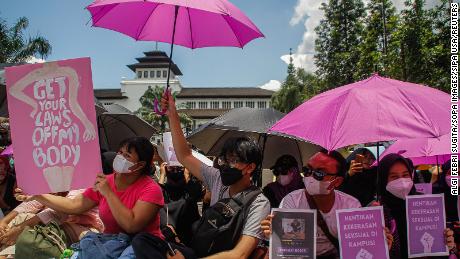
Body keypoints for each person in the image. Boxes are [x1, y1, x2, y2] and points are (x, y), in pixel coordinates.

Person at [134, 90, 270, 259]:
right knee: (143, 240)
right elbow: (185, 156)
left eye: (233, 160)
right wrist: (172, 115)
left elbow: (240, 254)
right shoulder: (217, 178)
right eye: (224, 160)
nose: (226, 165)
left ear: (250, 167)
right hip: (199, 250)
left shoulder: (259, 203)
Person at [15, 137, 164, 258]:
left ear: (140, 165)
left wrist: (109, 193)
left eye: (127, 155)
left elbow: (131, 225)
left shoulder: (151, 189)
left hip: (141, 247)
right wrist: (37, 194)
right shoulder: (106, 181)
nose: (120, 157)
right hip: (111, 244)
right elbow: (74, 205)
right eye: (119, 152)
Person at [261, 149, 375, 259]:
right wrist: (275, 235)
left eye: (319, 173)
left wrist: (378, 245)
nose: (310, 177)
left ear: (337, 181)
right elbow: (289, 250)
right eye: (307, 170)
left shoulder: (350, 206)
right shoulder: (292, 202)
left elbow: (360, 250)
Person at [377, 153, 455, 258]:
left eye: (405, 175)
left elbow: (438, 249)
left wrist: (446, 243)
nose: (402, 181)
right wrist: (380, 248)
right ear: (383, 179)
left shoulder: (425, 204)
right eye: (394, 177)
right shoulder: (376, 213)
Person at [0, 189, 103, 258]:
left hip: (81, 231)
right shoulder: (54, 183)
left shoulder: (84, 184)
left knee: (31, 233)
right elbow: (31, 204)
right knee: (22, 218)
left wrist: (20, 229)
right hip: (54, 223)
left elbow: (58, 213)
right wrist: (4, 222)